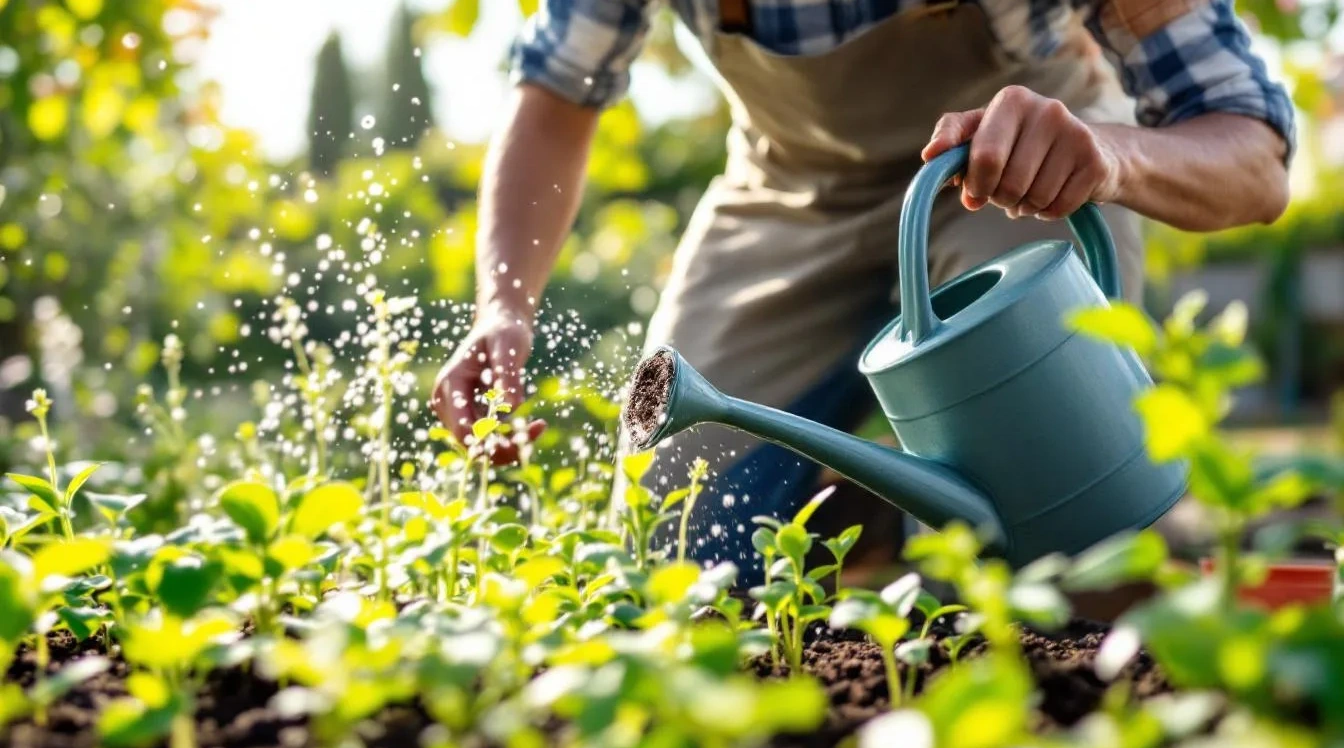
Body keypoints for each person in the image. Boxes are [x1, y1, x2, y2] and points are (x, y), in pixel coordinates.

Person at [431, 0, 1294, 585]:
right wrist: (504, 304)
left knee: (1054, 508)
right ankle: (870, 532)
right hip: (788, 186)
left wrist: (1110, 157)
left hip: (1015, 172)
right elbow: (555, 94)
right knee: (669, 532)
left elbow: (1253, 159)